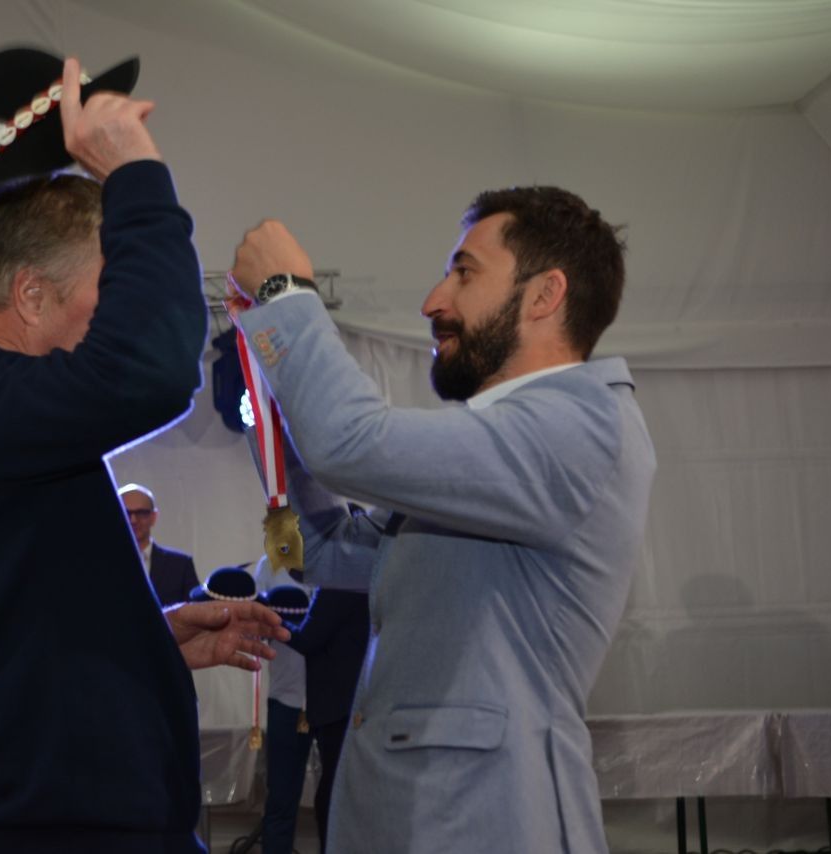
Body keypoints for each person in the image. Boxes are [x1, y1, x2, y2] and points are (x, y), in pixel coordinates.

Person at [0, 48, 287, 854]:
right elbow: (152, 370)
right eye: (107, 293)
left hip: (63, 818)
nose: (115, 318)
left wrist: (143, 636)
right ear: (30, 294)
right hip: (46, 828)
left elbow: (4, 624)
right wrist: (138, 177)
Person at [227, 186, 656, 852]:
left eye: (464, 273)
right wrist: (273, 420)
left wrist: (288, 295)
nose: (433, 301)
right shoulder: (504, 454)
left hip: (486, 823)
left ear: (545, 295)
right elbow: (319, 553)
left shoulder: (579, 424)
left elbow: (349, 442)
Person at [285, 583, 370, 851]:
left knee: (331, 796)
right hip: (352, 702)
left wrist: (271, 620)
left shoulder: (336, 587)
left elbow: (308, 639)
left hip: (337, 705)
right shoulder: (362, 582)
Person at [252, 558, 313, 854]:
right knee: (281, 797)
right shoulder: (272, 564)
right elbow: (256, 625)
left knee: (337, 796)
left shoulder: (342, 557)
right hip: (287, 697)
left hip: (334, 699)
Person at [119, 483, 199, 605]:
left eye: (141, 513)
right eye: (126, 513)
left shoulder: (180, 565)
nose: (133, 520)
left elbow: (195, 610)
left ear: (154, 517)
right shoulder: (102, 565)